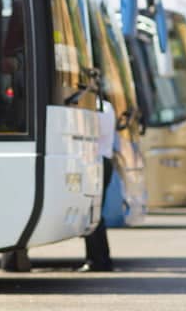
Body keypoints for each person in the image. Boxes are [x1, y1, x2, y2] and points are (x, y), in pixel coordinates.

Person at [81, 100, 115, 272]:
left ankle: (98, 259)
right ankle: (99, 258)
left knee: (93, 212)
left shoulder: (101, 107)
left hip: (98, 161)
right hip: (99, 161)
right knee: (93, 212)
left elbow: (94, 131)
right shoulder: (103, 106)